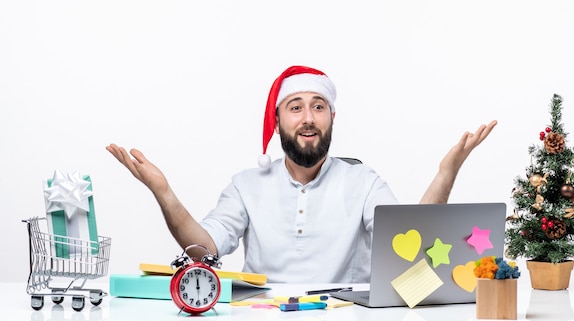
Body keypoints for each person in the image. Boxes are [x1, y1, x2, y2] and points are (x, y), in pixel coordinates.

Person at [106, 65, 497, 283]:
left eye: (318, 107)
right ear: (276, 122)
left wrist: (447, 172)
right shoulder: (246, 185)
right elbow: (204, 250)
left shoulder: (364, 184)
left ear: (332, 118)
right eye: (295, 107)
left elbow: (410, 246)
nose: (308, 118)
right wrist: (163, 191)